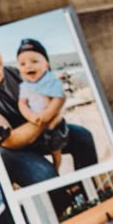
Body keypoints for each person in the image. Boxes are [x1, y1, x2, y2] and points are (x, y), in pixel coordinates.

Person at [0, 30, 98, 187]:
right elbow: (10, 140)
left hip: (38, 133)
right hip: (12, 151)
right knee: (45, 176)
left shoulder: (16, 73)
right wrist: (49, 113)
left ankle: (88, 189)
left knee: (83, 137)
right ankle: (58, 198)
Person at [15, 38, 68, 173]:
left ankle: (57, 167)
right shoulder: (24, 86)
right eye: (23, 64)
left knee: (55, 148)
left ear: (46, 65)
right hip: (35, 122)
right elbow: (22, 103)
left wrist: (48, 115)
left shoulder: (51, 81)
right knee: (34, 145)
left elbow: (59, 99)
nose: (28, 66)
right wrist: (31, 116)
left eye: (34, 61)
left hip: (53, 122)